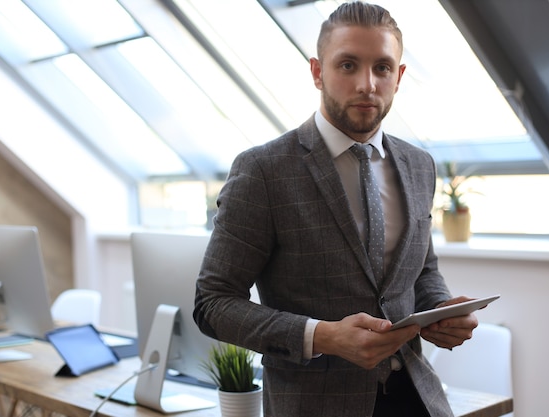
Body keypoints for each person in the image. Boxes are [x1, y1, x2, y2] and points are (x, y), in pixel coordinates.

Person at [194, 2, 478, 416]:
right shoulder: (263, 171)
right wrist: (322, 336)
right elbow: (213, 302)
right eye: (348, 65)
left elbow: (421, 271)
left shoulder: (420, 166)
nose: (367, 84)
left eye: (382, 68)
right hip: (313, 404)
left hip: (417, 398)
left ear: (398, 78)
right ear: (317, 71)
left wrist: (440, 311)